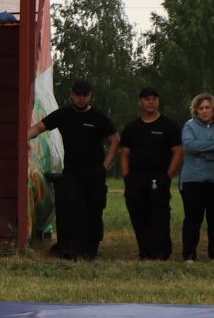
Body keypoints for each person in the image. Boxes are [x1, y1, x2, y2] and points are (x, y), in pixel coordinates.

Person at [27, 80, 119, 260]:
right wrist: (23, 137)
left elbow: (115, 140)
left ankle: (92, 250)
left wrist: (105, 166)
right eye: (77, 95)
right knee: (72, 211)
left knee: (94, 211)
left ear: (90, 96)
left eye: (85, 95)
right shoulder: (63, 114)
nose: (81, 99)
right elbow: (39, 127)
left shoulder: (99, 117)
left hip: (95, 173)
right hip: (72, 173)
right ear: (71, 95)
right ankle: (72, 249)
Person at [119, 87, 180, 262]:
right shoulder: (131, 128)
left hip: (159, 178)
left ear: (158, 102)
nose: (150, 102)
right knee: (138, 216)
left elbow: (178, 152)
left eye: (154, 98)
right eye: (146, 99)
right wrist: (127, 177)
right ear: (140, 102)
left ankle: (161, 252)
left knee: (159, 216)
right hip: (136, 179)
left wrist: (168, 176)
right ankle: (145, 252)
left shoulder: (169, 126)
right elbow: (124, 154)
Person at [179, 93, 214, 262]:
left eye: (207, 108)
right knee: (192, 219)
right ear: (196, 111)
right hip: (193, 179)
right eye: (201, 108)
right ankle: (189, 254)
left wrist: (206, 153)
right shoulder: (189, 126)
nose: (204, 111)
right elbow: (190, 145)